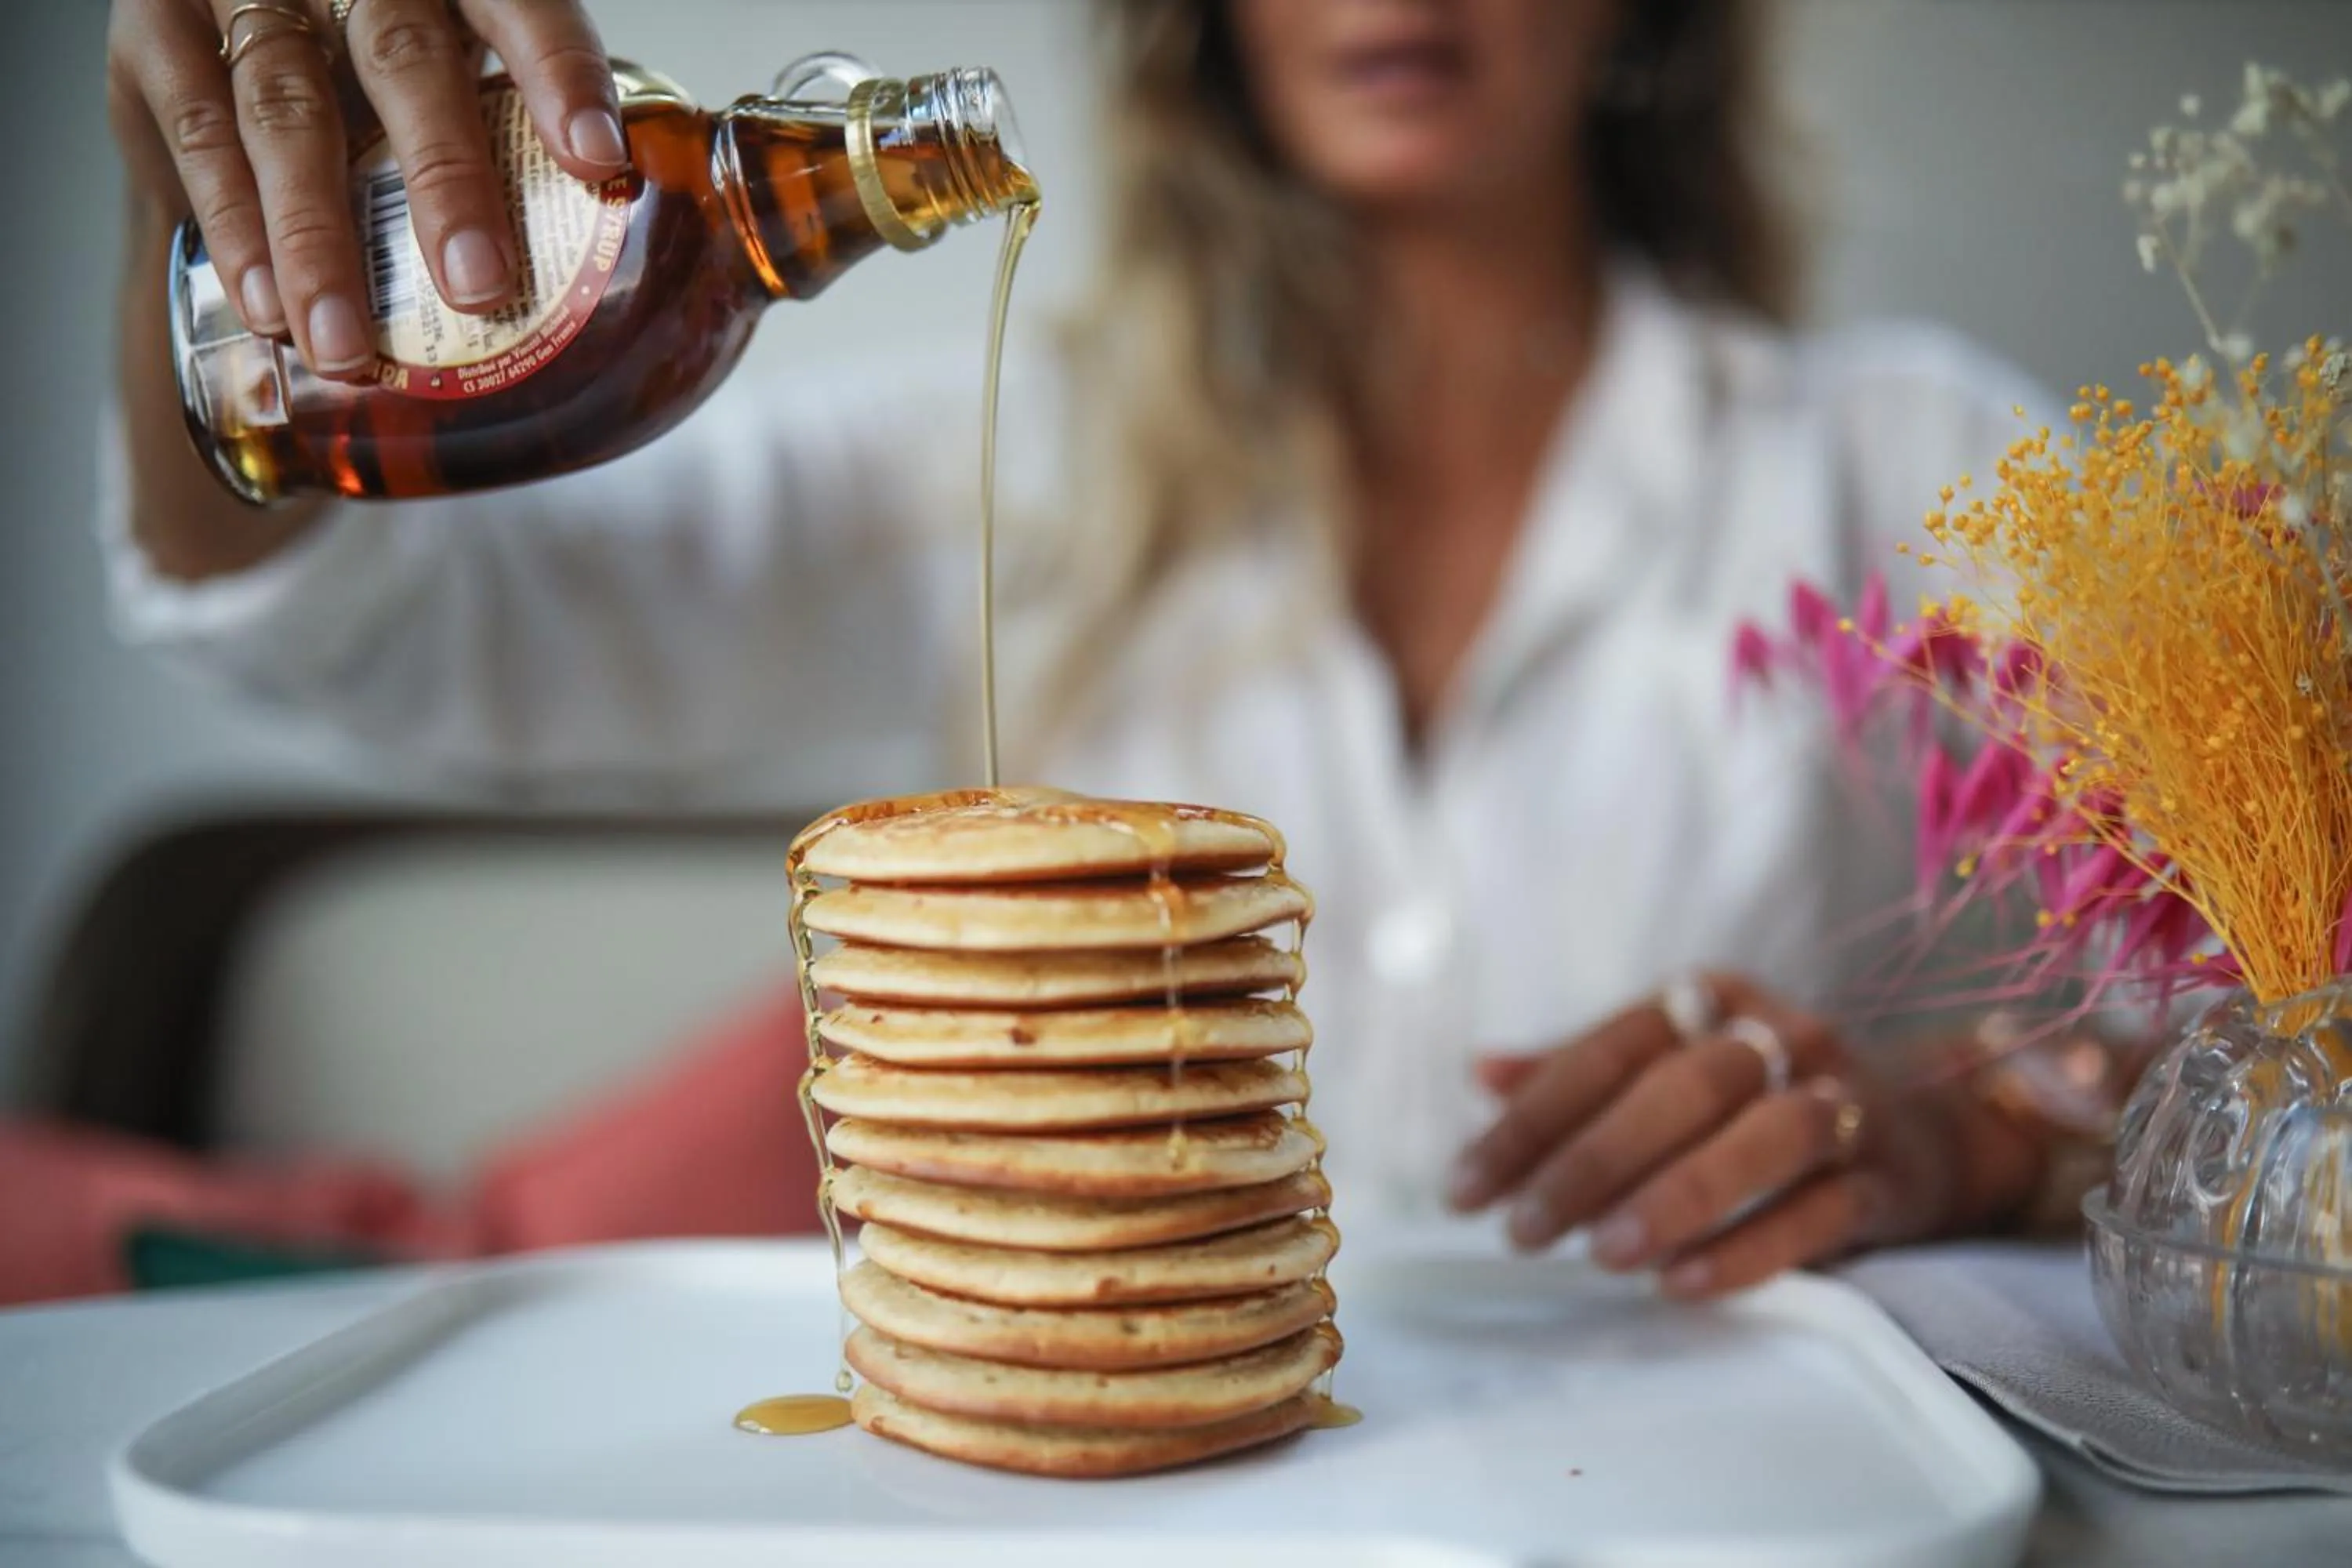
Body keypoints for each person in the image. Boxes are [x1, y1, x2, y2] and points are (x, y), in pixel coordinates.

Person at [99, 0, 2099, 1297]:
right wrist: (198, 240)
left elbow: (2266, 1026)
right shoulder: (1002, 461)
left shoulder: (1915, 462)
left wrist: (1965, 1132)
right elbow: (352, 619)